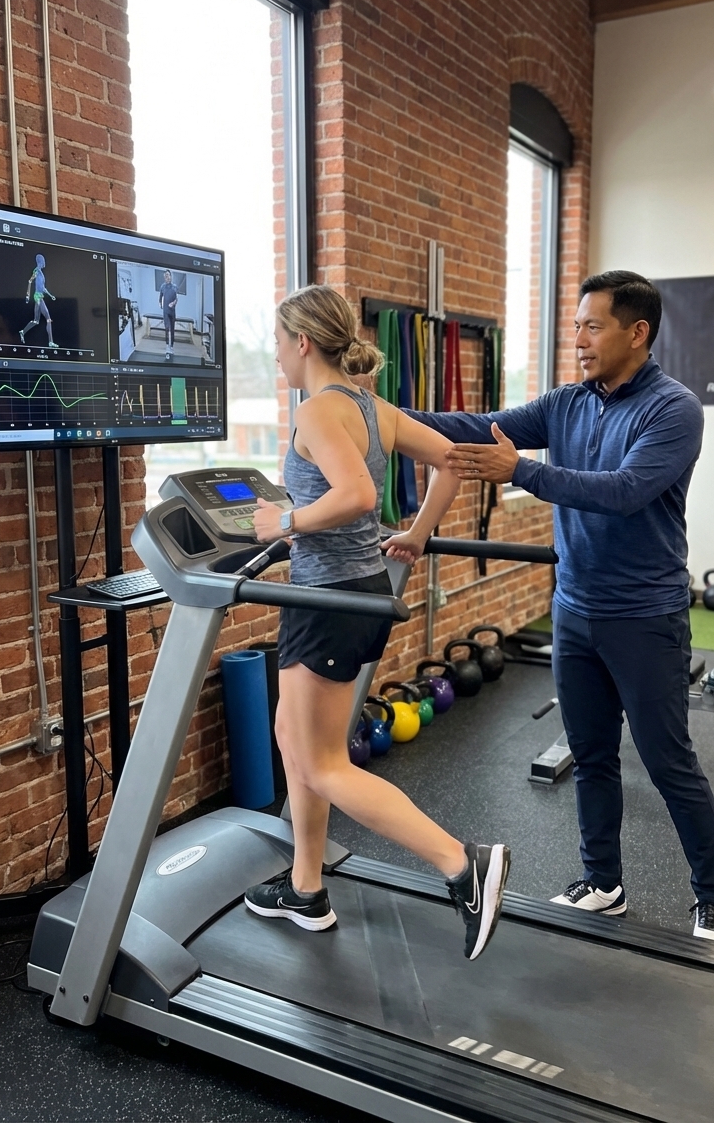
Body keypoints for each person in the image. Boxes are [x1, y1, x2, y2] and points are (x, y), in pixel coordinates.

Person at [407, 271, 714, 944]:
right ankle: (603, 882)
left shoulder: (675, 409)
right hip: (576, 610)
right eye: (576, 325)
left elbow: (624, 490)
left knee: (668, 760)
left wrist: (520, 471)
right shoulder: (566, 403)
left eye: (593, 326)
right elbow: (474, 427)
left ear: (637, 333)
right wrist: (377, 415)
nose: (579, 339)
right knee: (590, 756)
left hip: (645, 616)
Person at [247, 284, 510, 960]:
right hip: (354, 591)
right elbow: (454, 459)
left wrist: (286, 522)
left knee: (324, 764)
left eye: (278, 344)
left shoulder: (315, 415)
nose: (277, 357)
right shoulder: (373, 408)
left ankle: (462, 864)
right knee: (291, 736)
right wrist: (418, 534)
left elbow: (357, 495)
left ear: (302, 343)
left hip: (330, 601)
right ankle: (306, 889)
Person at [20, 254, 57, 348]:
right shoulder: (36, 271)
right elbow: (30, 281)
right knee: (48, 318)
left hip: (40, 296)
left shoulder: (40, 272)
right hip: (38, 297)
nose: (44, 263)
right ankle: (50, 342)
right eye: (43, 261)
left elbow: (43, 288)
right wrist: (27, 295)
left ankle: (22, 332)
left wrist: (51, 295)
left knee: (36, 321)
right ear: (41, 261)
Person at [159, 269, 178, 359]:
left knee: (172, 329)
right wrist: (160, 304)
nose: (167, 277)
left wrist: (173, 303)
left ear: (171, 276)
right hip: (165, 311)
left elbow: (176, 299)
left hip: (172, 311)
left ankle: (172, 346)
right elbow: (160, 298)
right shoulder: (162, 287)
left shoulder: (174, 287)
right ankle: (167, 346)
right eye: (165, 276)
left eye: (168, 275)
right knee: (167, 328)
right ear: (164, 278)